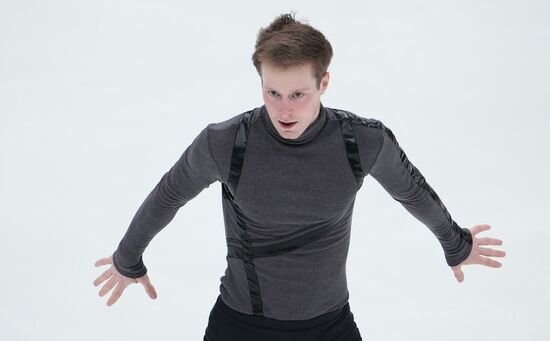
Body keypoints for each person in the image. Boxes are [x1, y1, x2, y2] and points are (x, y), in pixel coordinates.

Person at [93, 12, 506, 341]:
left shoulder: (360, 141)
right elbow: (169, 194)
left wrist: (455, 243)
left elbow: (412, 191)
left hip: (329, 325)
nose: (284, 109)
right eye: (272, 93)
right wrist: (127, 258)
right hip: (241, 325)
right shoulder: (226, 142)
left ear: (323, 82)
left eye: (297, 94)